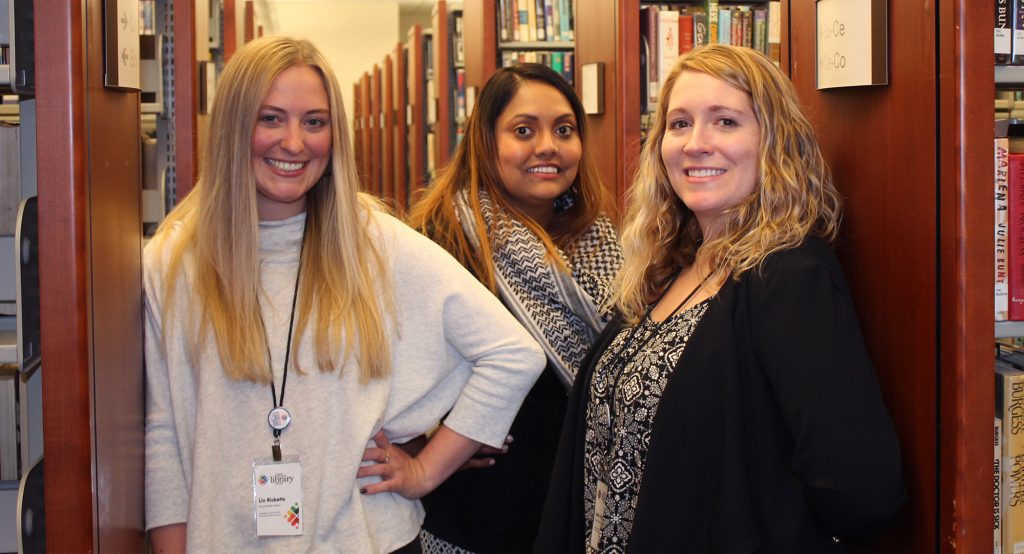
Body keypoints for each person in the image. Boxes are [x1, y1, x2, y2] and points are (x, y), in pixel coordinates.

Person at [143, 36, 545, 553]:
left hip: (369, 540)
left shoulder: (375, 244)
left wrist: (424, 470)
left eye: (315, 122)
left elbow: (513, 354)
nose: (294, 143)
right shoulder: (173, 263)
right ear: (231, 127)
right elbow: (164, 433)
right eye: (270, 118)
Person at [535, 45, 906, 553]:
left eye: (726, 121)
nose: (695, 144)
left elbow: (863, 489)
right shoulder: (670, 265)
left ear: (773, 141)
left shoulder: (790, 275)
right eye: (679, 123)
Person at [400, 63, 623, 553]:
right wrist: (419, 444)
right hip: (475, 520)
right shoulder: (443, 241)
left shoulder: (605, 242)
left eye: (564, 130)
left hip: (580, 513)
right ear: (486, 140)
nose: (548, 146)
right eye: (524, 130)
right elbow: (380, 366)